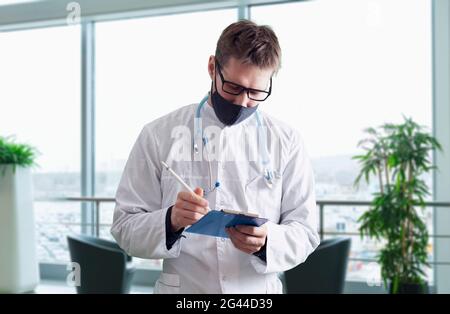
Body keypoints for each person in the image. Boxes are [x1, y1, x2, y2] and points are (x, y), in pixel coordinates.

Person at [111, 20, 319, 294]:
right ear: (212, 68)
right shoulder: (158, 135)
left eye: (256, 93)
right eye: (234, 87)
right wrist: (171, 221)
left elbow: (305, 232)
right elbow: (125, 227)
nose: (243, 102)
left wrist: (268, 240)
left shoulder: (287, 141)